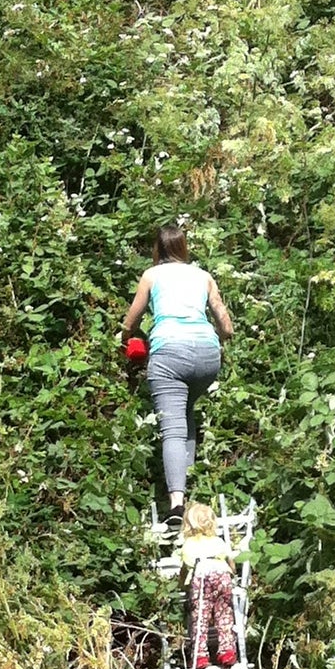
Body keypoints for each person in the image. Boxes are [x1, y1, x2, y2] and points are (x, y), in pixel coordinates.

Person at [121, 225, 233, 529]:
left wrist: (124, 339)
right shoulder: (203, 276)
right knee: (186, 413)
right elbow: (225, 324)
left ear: (157, 249)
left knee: (172, 426)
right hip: (207, 356)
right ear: (183, 247)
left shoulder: (151, 276)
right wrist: (220, 339)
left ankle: (176, 504)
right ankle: (191, 481)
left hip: (170, 352)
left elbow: (132, 320)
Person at [179, 503, 237, 669]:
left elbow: (185, 568)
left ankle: (200, 655)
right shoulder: (219, 541)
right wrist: (232, 573)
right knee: (224, 614)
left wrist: (182, 584)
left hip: (202, 577)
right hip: (222, 576)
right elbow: (230, 561)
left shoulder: (189, 544)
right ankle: (227, 651)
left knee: (200, 618)